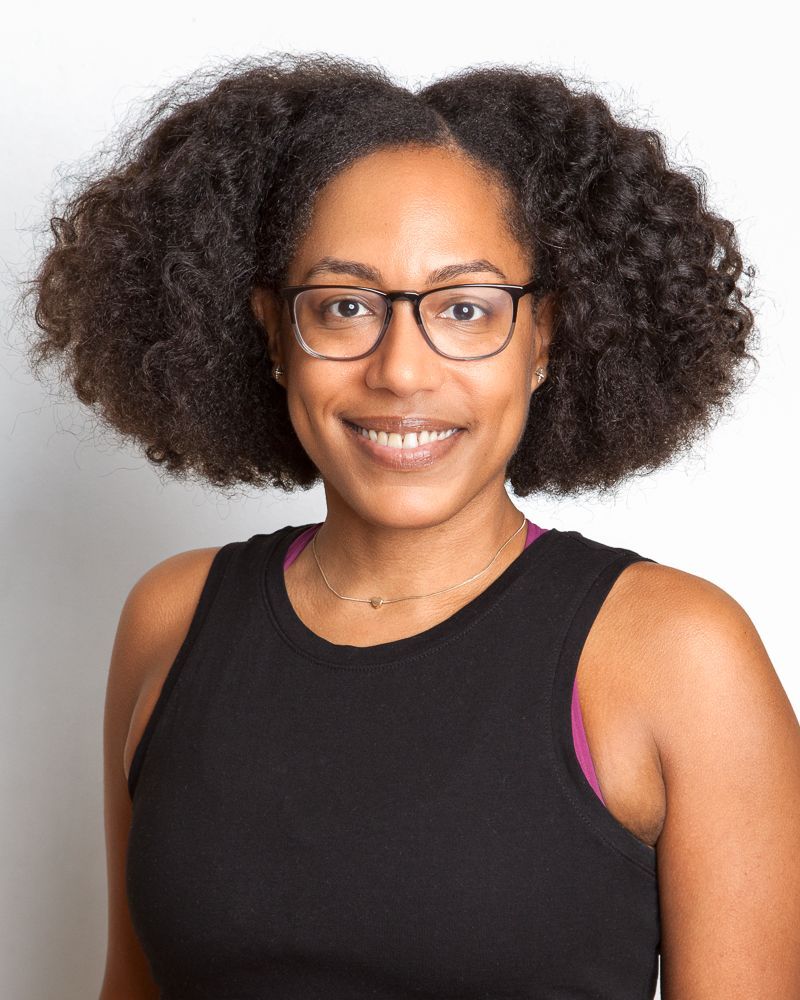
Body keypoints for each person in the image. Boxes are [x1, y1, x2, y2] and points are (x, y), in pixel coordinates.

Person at [22, 53, 800, 999]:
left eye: (466, 308)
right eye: (344, 306)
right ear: (273, 334)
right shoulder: (172, 620)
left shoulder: (677, 655)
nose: (400, 370)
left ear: (544, 336)